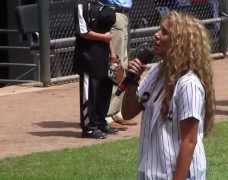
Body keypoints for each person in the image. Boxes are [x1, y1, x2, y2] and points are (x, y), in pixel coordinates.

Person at [122, 11, 215, 180]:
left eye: (165, 32)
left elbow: (189, 141)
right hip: (151, 169)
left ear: (180, 42)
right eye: (159, 30)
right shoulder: (156, 72)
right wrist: (132, 82)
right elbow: (128, 113)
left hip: (179, 174)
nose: (156, 35)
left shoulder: (189, 84)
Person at [73, 0, 118, 139]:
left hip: (102, 55)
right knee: (90, 92)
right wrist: (103, 37)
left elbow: (106, 32)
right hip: (87, 56)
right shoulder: (81, 5)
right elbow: (83, 31)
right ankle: (89, 128)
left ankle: (100, 122)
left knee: (104, 88)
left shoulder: (99, 4)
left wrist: (112, 53)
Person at [101, 0, 137, 129]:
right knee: (116, 67)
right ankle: (107, 115)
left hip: (124, 16)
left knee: (123, 66)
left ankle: (117, 112)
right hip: (114, 14)